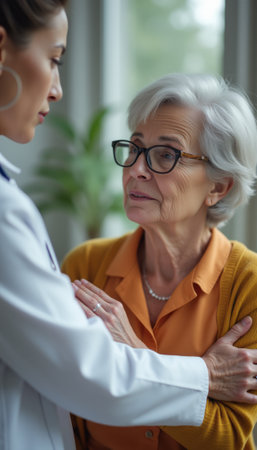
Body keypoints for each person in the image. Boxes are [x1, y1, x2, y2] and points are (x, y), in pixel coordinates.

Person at [63, 73, 257, 450]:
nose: (136, 168)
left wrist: (134, 356)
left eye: (166, 155)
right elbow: (65, 408)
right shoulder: (85, 266)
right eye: (135, 148)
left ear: (218, 187)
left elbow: (229, 435)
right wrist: (198, 379)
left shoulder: (248, 282)